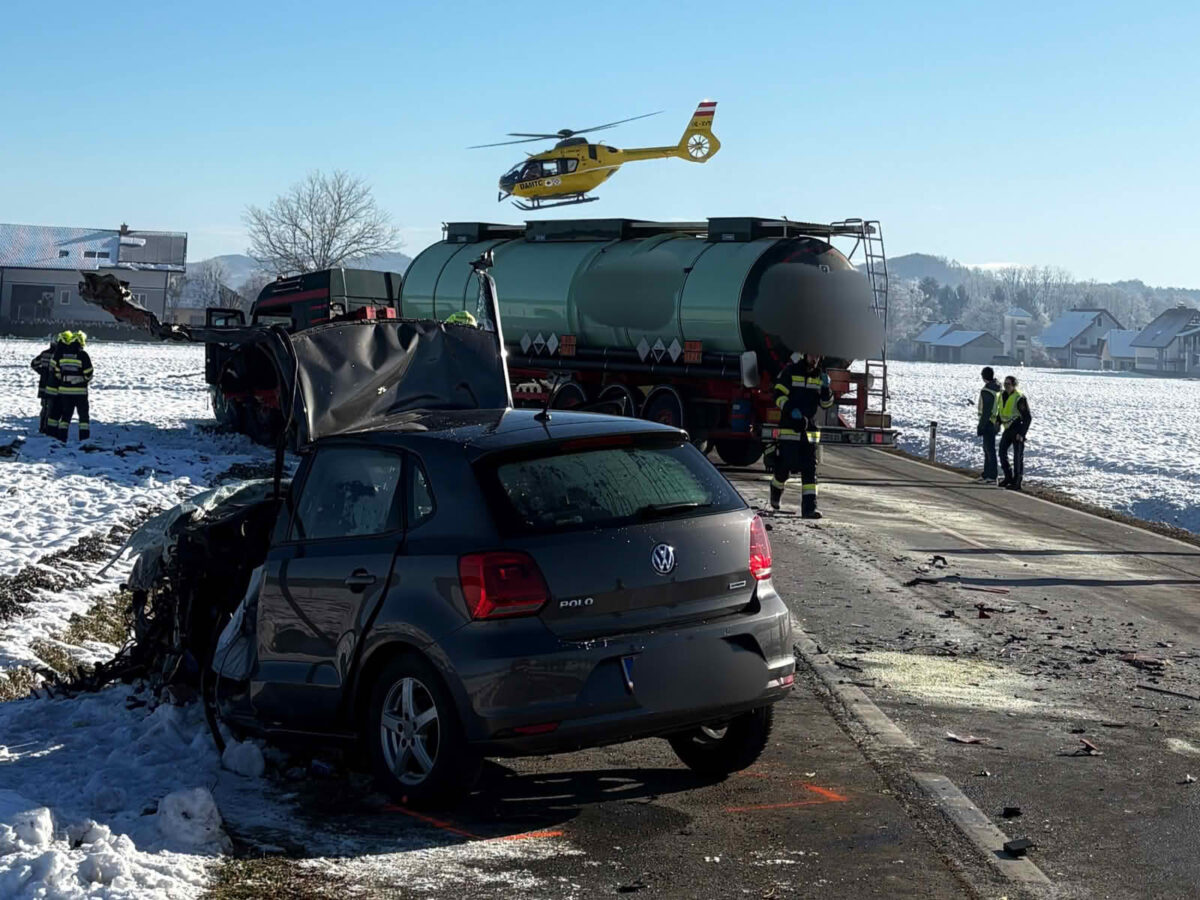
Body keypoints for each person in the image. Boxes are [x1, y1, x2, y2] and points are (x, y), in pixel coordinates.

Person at [770, 351, 834, 518]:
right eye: (813, 355)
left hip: (809, 431)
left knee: (809, 470)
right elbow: (777, 396)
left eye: (818, 356)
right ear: (805, 355)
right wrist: (791, 411)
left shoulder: (820, 376)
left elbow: (826, 404)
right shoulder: (791, 372)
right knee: (785, 466)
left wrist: (826, 389)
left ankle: (809, 509)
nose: (815, 359)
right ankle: (776, 490)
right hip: (790, 427)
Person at [50, 331, 93, 442]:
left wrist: (65, 381)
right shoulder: (83, 355)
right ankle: (84, 439)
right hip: (80, 392)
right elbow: (88, 372)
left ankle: (62, 438)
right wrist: (83, 380)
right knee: (83, 418)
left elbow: (57, 372)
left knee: (65, 416)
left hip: (64, 391)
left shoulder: (63, 355)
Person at [997, 374, 1032, 491]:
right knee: (1002, 452)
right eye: (1005, 384)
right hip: (1007, 429)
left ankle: (1017, 482)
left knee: (1018, 457)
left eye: (1008, 384)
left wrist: (1022, 434)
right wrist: (997, 421)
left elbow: (1027, 417)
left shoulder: (1019, 398)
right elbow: (1001, 411)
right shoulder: (1003, 395)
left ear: (1014, 385)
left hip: (1017, 429)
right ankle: (1008, 477)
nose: (1006, 386)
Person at [976, 366, 1002, 483]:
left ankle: (991, 476)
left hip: (988, 423)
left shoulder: (987, 390)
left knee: (989, 449)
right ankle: (987, 474)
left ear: (983, 377)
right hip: (995, 422)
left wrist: (981, 425)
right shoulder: (998, 388)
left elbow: (986, 411)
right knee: (988, 448)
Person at [30, 336, 61, 434]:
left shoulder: (44, 353)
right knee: (52, 408)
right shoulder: (58, 355)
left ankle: (41, 427)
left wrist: (41, 372)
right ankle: (48, 429)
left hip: (43, 385)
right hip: (54, 386)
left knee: (44, 407)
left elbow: (34, 363)